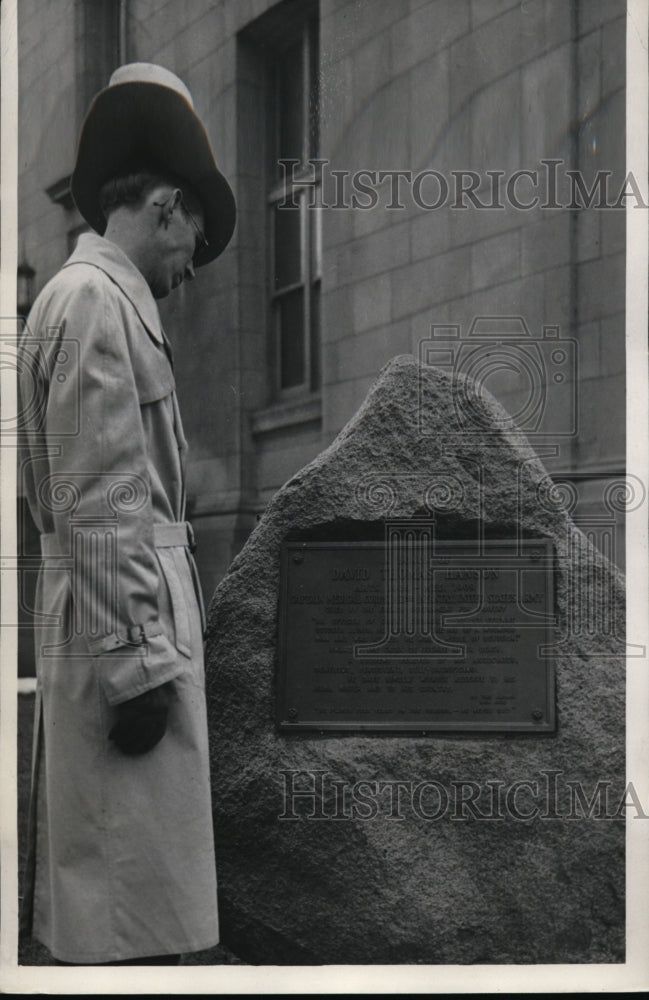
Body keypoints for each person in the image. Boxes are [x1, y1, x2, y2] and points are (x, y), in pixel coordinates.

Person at [18, 63, 236, 965]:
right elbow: (100, 502)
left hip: (114, 629)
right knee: (128, 928)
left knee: (124, 913)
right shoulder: (97, 305)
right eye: (193, 238)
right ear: (164, 208)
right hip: (124, 645)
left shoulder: (85, 298)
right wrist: (139, 668)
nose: (190, 265)